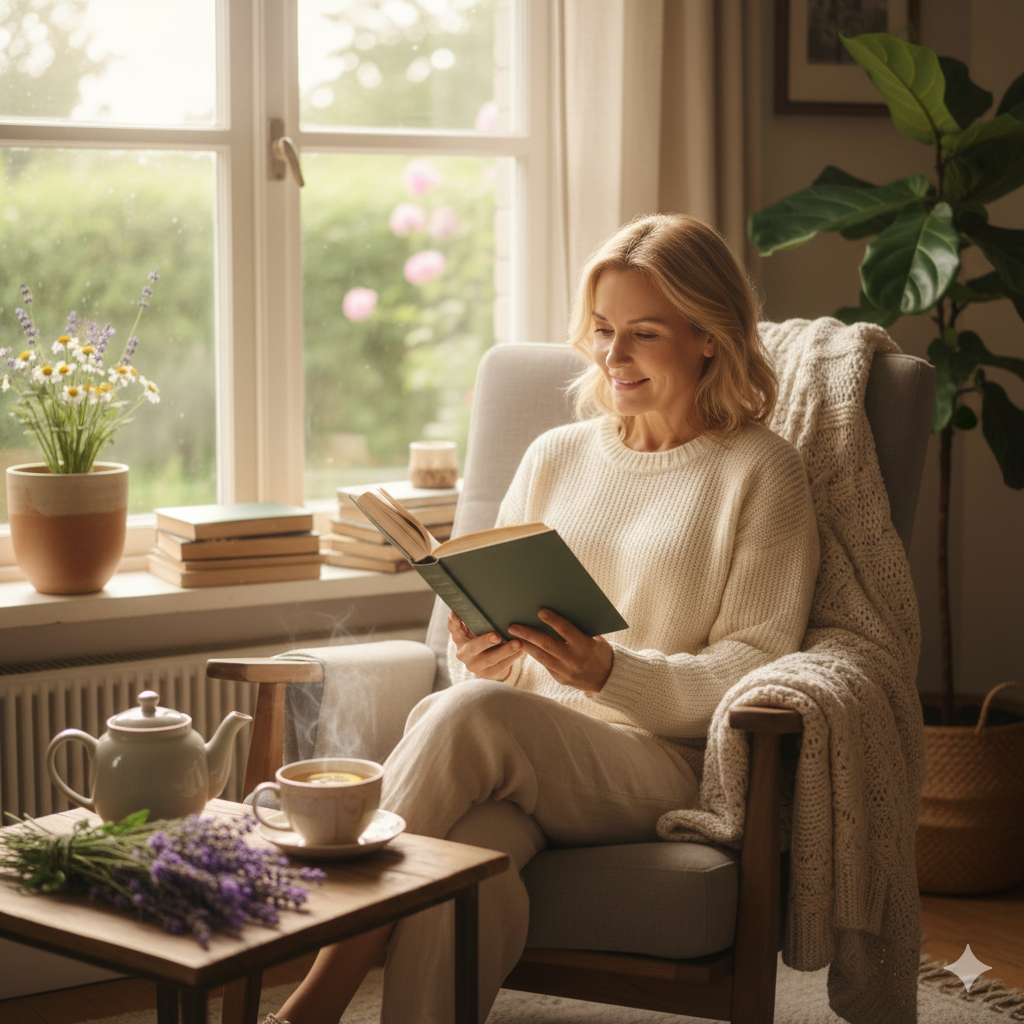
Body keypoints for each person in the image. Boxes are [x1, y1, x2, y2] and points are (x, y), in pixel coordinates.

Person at [269, 214, 820, 1024]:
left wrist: (610, 672)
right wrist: (481, 653)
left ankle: (311, 1002)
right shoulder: (557, 454)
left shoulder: (761, 471)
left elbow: (753, 662)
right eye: (601, 330)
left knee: (472, 716)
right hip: (525, 755)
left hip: (663, 763)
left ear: (710, 337)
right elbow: (492, 673)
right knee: (463, 872)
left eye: (642, 333)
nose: (612, 356)